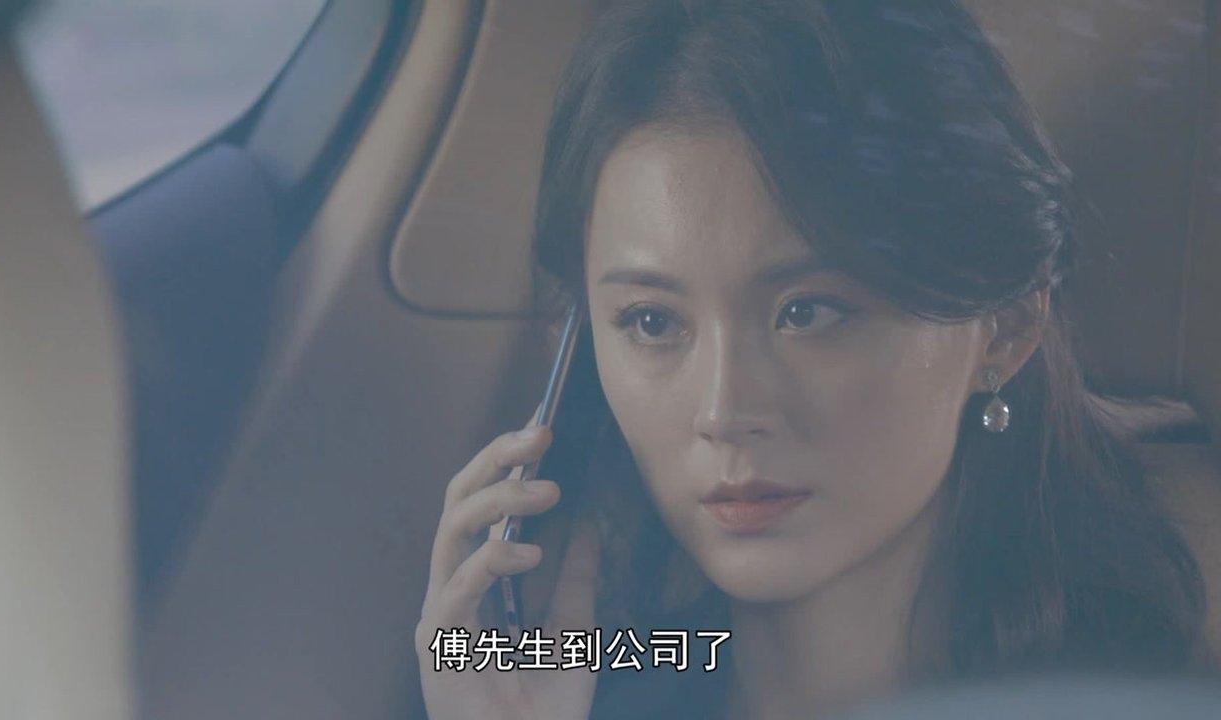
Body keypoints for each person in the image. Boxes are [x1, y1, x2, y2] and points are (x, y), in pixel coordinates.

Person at [414, 1, 1219, 718]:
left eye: (808, 312)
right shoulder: (593, 688)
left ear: (1004, 329)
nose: (723, 411)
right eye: (652, 322)